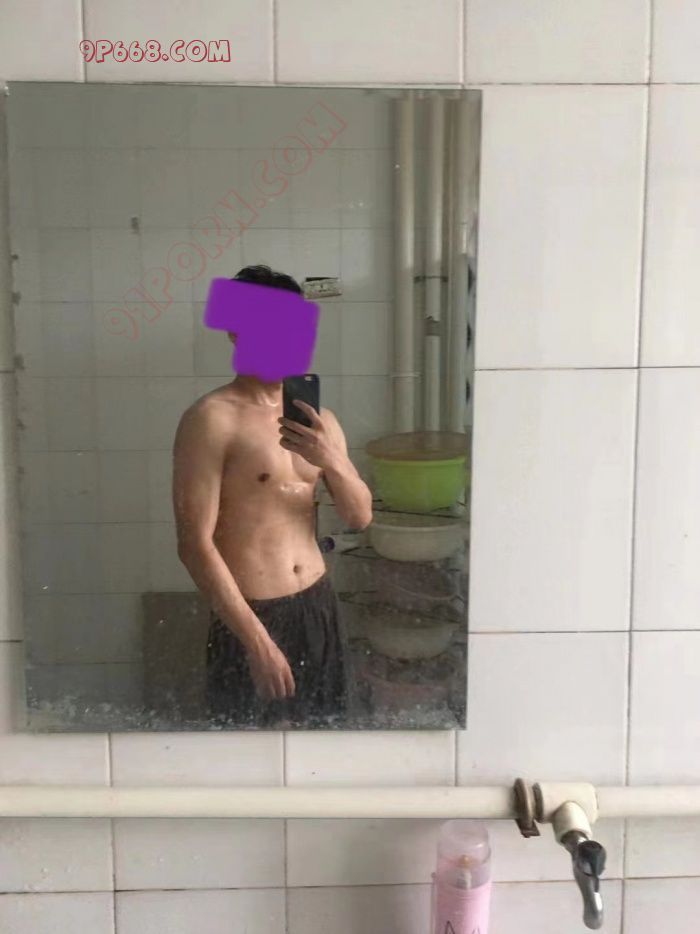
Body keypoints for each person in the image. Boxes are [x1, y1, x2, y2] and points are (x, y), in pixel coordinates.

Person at [172, 264, 373, 728]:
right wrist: (257, 642)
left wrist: (332, 459)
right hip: (252, 615)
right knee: (245, 755)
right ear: (237, 334)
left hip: (318, 606)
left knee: (324, 742)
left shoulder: (320, 420)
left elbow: (360, 517)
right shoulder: (212, 419)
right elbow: (194, 544)